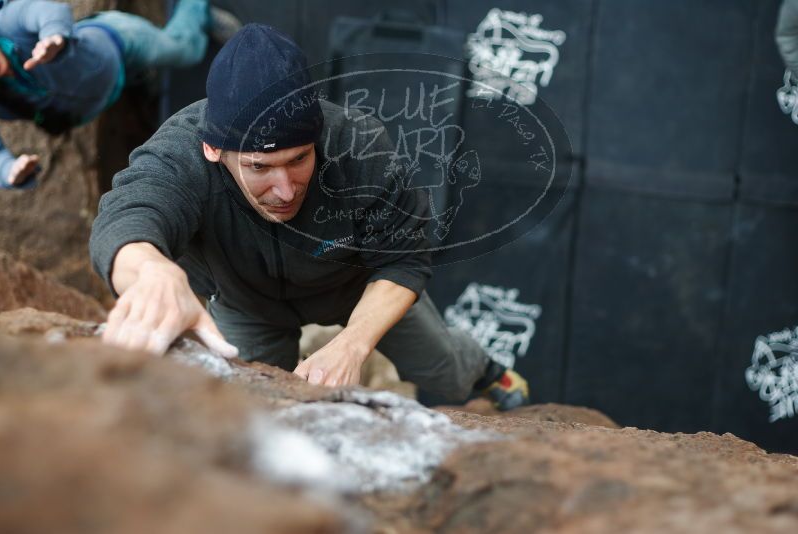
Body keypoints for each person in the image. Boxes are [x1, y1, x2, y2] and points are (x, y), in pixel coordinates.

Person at [89, 24, 530, 410]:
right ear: (213, 150)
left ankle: (488, 370)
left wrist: (353, 346)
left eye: (299, 160)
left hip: (353, 284)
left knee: (444, 373)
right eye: (259, 167)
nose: (284, 190)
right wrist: (150, 271)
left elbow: (406, 258)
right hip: (247, 301)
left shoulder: (358, 142)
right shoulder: (181, 152)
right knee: (258, 406)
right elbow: (129, 215)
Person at [0, 0, 240, 189]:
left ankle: (198, 10)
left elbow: (44, 12)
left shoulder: (6, 23)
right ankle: (144, 79)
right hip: (104, 86)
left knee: (187, 49)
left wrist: (53, 35)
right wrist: (9, 170)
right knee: (140, 83)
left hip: (119, 41)